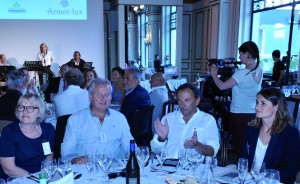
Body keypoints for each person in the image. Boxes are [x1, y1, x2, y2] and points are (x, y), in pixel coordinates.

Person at [61, 78, 134, 163]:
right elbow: (67, 150)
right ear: (90, 96)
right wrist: (74, 160)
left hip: (115, 170)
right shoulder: (75, 120)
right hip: (87, 169)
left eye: (107, 95)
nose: (103, 99)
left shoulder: (120, 118)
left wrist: (134, 155)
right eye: (99, 95)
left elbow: (129, 145)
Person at [210, 41, 262, 157]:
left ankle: (242, 171)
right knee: (249, 146)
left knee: (239, 148)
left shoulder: (242, 73)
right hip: (254, 112)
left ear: (247, 54)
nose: (239, 57)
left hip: (239, 114)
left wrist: (214, 75)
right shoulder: (259, 68)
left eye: (241, 54)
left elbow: (222, 86)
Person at [241, 87, 300, 184]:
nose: (257, 107)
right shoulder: (251, 129)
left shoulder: (290, 134)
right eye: (257, 102)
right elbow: (244, 158)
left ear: (276, 106)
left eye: (263, 103)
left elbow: (291, 169)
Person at [150, 83, 220, 158]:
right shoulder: (168, 119)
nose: (182, 104)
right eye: (179, 100)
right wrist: (162, 139)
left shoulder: (207, 120)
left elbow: (212, 151)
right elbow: (155, 150)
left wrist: (197, 145)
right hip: (168, 166)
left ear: (197, 101)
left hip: (194, 167)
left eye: (187, 100)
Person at [0, 93, 55, 180]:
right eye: (21, 107)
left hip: (41, 177)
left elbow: (49, 158)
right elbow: (9, 169)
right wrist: (34, 178)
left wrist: (46, 176)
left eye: (30, 108)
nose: (24, 111)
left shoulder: (48, 129)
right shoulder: (9, 132)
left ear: (39, 113)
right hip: (16, 179)